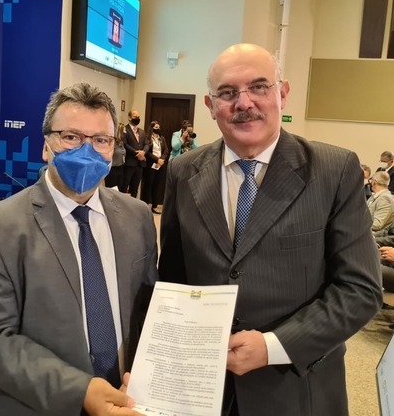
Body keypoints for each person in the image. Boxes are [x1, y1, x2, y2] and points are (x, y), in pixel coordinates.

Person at [158, 43, 382, 416]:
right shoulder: (183, 171)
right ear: (210, 105)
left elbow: (360, 290)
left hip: (294, 388)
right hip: (202, 388)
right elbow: (174, 279)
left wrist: (273, 346)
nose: (244, 102)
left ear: (283, 93)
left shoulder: (334, 170)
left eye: (259, 87)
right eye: (227, 92)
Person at [0, 83, 158, 415]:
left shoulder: (138, 217)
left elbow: (148, 311)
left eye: (101, 140)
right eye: (71, 137)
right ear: (45, 146)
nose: (87, 151)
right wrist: (81, 391)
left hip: (127, 400)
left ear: (113, 148)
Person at [140, 121, 169, 214]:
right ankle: (145, 206)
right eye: (156, 127)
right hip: (150, 164)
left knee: (157, 186)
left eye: (159, 127)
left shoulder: (162, 138)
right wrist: (156, 160)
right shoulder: (147, 138)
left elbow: (166, 150)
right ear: (152, 128)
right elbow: (147, 152)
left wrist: (161, 160)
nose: (158, 129)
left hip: (160, 165)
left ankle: (155, 206)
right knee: (148, 185)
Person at [122, 109, 148, 197]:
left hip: (140, 164)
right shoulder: (125, 129)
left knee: (135, 189)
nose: (137, 118)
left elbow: (146, 144)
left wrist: (143, 152)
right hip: (129, 163)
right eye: (135, 116)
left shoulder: (142, 131)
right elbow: (125, 144)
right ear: (129, 118)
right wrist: (137, 153)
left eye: (138, 117)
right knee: (124, 187)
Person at [104, 123, 126, 189]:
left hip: (120, 168)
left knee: (119, 189)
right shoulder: (112, 143)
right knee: (112, 190)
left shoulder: (121, 143)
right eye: (124, 131)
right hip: (112, 169)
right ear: (120, 132)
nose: (126, 133)